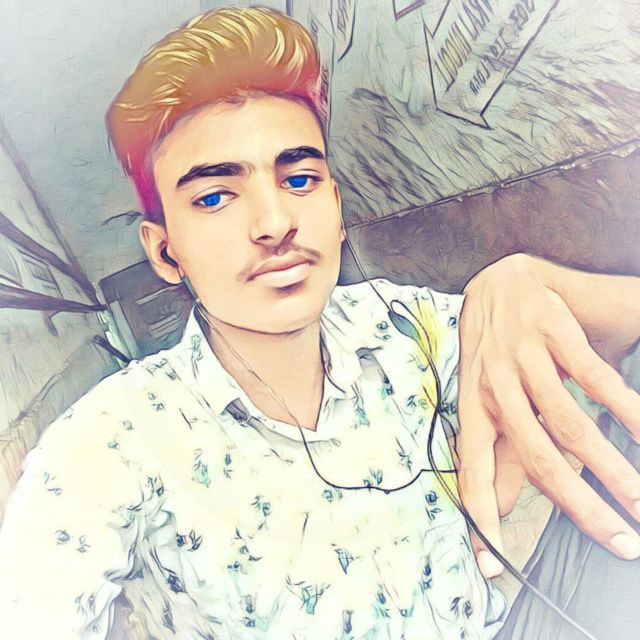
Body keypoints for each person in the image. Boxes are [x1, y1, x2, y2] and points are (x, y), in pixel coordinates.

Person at [0, 6, 639, 639]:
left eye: (300, 179)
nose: (275, 223)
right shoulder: (113, 438)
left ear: (335, 208)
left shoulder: (402, 322)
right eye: (215, 197)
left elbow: (610, 345)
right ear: (167, 253)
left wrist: (533, 284)